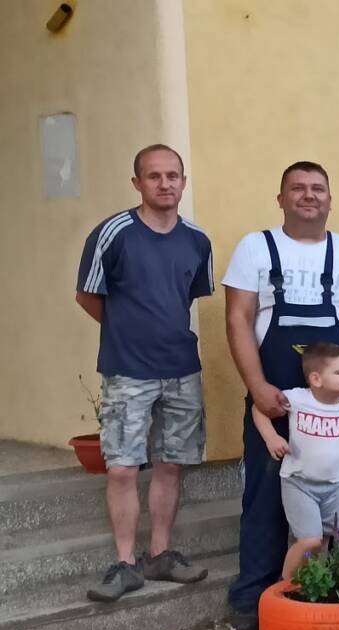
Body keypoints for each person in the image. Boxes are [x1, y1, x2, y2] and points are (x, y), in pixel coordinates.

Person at [224, 161, 339, 630]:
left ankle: (334, 586)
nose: (308, 195)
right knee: (264, 492)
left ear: (330, 200)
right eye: (297, 188)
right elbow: (238, 319)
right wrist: (257, 388)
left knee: (338, 497)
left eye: (318, 188)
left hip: (338, 404)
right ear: (281, 198)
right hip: (275, 397)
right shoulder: (256, 248)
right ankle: (253, 596)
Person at [75, 144, 213, 602]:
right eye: (154, 176)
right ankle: (124, 563)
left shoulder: (197, 240)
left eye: (173, 175)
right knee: (122, 467)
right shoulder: (113, 233)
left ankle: (161, 554)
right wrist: (126, 332)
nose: (165, 183)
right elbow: (88, 295)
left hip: (181, 369)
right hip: (128, 369)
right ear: (137, 182)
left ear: (183, 181)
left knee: (172, 464)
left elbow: (185, 298)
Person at [251, 342, 339, 578]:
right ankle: (284, 587)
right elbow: (259, 407)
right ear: (316, 379)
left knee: (326, 540)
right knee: (309, 541)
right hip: (299, 484)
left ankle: (315, 584)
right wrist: (271, 438)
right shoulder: (297, 399)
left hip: (336, 485)